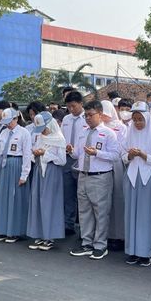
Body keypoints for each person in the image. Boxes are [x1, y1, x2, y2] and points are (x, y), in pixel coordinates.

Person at [69, 100, 120, 260]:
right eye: (86, 115)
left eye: (91, 115)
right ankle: (86, 243)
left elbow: (115, 156)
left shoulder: (108, 133)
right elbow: (78, 154)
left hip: (100, 176)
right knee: (84, 211)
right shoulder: (83, 132)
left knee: (101, 212)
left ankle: (100, 245)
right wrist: (71, 151)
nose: (88, 118)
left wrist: (97, 153)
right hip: (83, 174)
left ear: (100, 114)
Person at [121, 101, 151, 266]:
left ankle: (145, 252)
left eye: (140, 119)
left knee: (146, 214)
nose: (138, 123)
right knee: (131, 213)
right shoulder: (129, 134)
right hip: (131, 176)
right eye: (135, 119)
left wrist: (143, 155)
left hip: (148, 177)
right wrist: (131, 155)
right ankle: (132, 251)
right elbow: (122, 156)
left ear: (146, 119)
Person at [26, 111, 67, 250]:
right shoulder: (40, 137)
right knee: (37, 201)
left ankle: (50, 236)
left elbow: (62, 160)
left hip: (52, 172)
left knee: (50, 203)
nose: (42, 131)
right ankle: (39, 233)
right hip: (39, 170)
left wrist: (45, 153)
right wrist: (36, 153)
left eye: (44, 127)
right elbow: (35, 152)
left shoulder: (59, 139)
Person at [0, 108, 32, 243]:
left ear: (16, 119)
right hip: (4, 165)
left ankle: (15, 231)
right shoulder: (3, 133)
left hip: (16, 165)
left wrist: (24, 174)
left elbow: (27, 154)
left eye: (10, 121)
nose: (7, 124)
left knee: (15, 199)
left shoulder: (24, 133)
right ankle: (2, 230)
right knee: (3, 198)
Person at [101, 100, 127, 250]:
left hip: (117, 165)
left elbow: (122, 146)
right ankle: (106, 235)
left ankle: (119, 235)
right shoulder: (99, 128)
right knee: (104, 201)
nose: (104, 117)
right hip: (102, 163)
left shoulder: (121, 127)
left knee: (118, 200)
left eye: (106, 113)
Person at [61, 91, 86, 236]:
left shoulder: (87, 119)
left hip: (82, 157)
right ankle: (68, 224)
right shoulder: (66, 119)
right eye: (69, 107)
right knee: (68, 193)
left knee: (82, 195)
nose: (71, 109)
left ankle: (84, 227)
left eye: (74, 106)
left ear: (81, 104)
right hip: (67, 158)